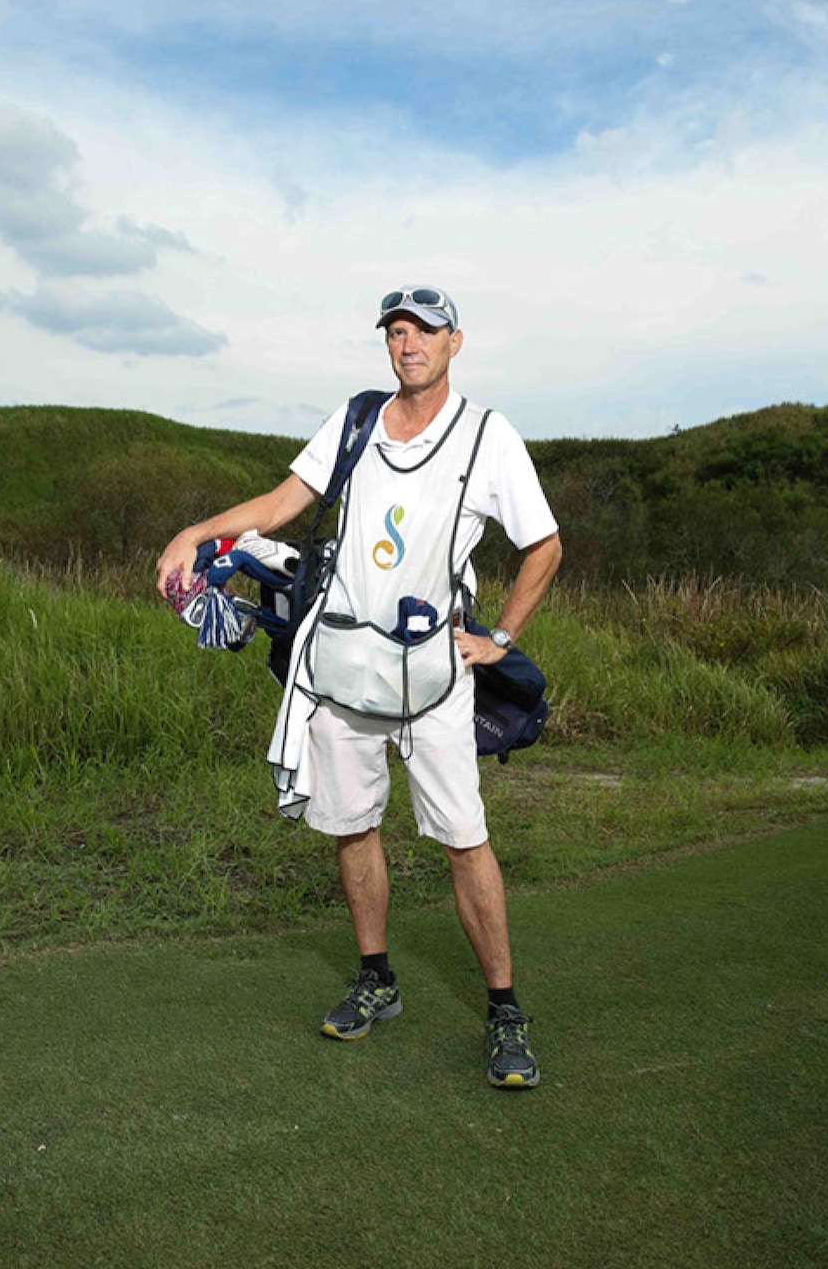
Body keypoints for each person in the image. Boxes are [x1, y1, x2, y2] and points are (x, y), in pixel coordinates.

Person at [157, 285, 561, 1088]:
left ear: (455, 343)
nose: (409, 344)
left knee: (463, 839)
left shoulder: (488, 437)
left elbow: (543, 545)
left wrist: (499, 639)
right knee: (351, 826)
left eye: (426, 332)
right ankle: (377, 977)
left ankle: (504, 1010)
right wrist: (197, 532)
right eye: (397, 332)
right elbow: (281, 505)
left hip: (434, 677)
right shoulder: (356, 421)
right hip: (343, 668)